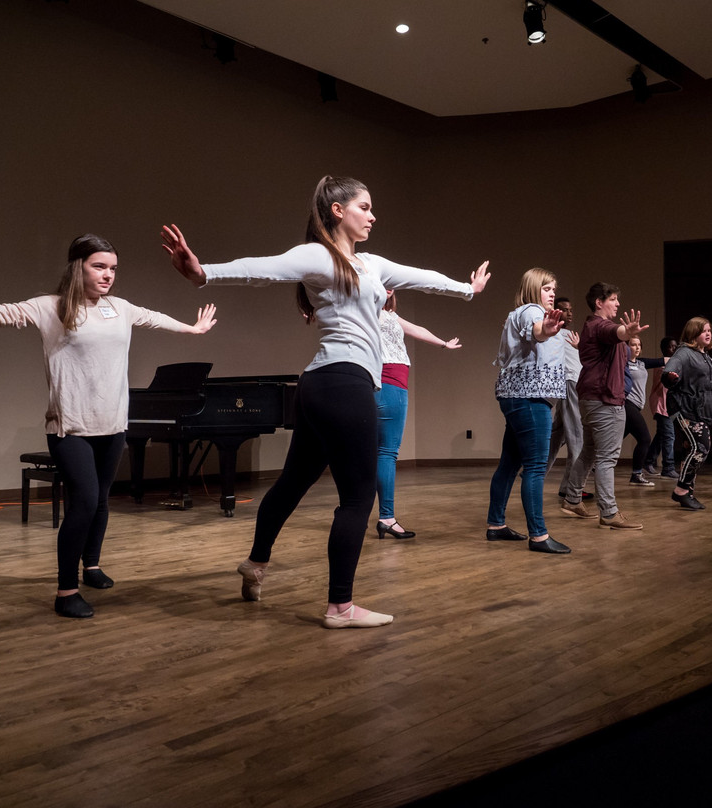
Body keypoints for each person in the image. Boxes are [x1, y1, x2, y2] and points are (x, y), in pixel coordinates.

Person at [162, 175, 489, 628]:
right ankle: (340, 607)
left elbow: (421, 277)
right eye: (365, 207)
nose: (373, 216)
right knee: (358, 497)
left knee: (292, 484)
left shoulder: (371, 264)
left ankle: (256, 564)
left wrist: (466, 289)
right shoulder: (318, 255)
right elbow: (265, 267)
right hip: (343, 384)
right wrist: (203, 275)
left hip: (319, 386)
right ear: (338, 210)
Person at [0, 234, 218, 619]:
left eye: (113, 268)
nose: (108, 275)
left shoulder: (120, 308)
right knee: (83, 505)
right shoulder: (51, 307)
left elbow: (153, 318)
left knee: (101, 500)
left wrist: (190, 330)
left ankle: (91, 566)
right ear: (78, 266)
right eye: (99, 266)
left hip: (112, 425)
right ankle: (66, 591)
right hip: (71, 428)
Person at [487, 268, 570, 554]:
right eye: (547, 288)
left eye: (554, 289)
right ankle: (539, 536)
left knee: (509, 464)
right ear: (534, 289)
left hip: (517, 397)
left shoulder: (517, 314)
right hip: (529, 398)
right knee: (534, 467)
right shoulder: (531, 312)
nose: (552, 293)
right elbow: (537, 330)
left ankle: (496, 525)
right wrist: (544, 331)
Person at [374, 289, 462, 540]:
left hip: (391, 384)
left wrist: (443, 344)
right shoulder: (366, 310)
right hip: (387, 383)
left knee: (379, 452)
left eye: (391, 284)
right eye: (383, 282)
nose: (389, 288)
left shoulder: (389, 314)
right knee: (387, 452)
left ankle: (376, 516)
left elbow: (416, 329)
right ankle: (387, 518)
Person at [560, 282, 648, 529]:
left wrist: (624, 334)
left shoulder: (591, 326)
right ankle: (609, 513)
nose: (618, 303)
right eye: (613, 299)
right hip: (603, 400)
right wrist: (626, 332)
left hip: (592, 397)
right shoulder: (601, 326)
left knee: (588, 452)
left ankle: (572, 499)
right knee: (607, 458)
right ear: (599, 302)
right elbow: (615, 334)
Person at [662, 318, 712, 510]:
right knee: (700, 448)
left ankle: (688, 493)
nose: (708, 333)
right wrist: (670, 376)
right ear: (693, 333)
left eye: (709, 330)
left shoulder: (704, 355)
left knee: (691, 449)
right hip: (685, 407)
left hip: (699, 409)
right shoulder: (684, 353)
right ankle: (681, 490)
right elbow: (671, 369)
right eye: (703, 330)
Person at [546, 296, 590, 501]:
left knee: (558, 436)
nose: (569, 313)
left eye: (571, 309)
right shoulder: (552, 333)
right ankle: (573, 488)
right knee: (577, 439)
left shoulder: (570, 334)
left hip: (574, 384)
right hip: (568, 383)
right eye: (564, 309)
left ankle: (537, 475)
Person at [623, 337, 665, 486]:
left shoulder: (642, 363)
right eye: (633, 344)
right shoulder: (622, 363)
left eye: (639, 345)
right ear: (626, 347)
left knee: (615, 439)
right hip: (627, 404)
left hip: (636, 406)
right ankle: (636, 474)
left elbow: (662, 360)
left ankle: (594, 461)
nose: (637, 347)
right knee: (645, 439)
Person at [644, 336, 678, 481]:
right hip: (661, 404)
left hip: (668, 405)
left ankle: (648, 461)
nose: (674, 349)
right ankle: (668, 467)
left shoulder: (673, 364)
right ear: (664, 349)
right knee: (669, 436)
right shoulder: (663, 365)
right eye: (671, 347)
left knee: (662, 435)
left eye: (676, 346)